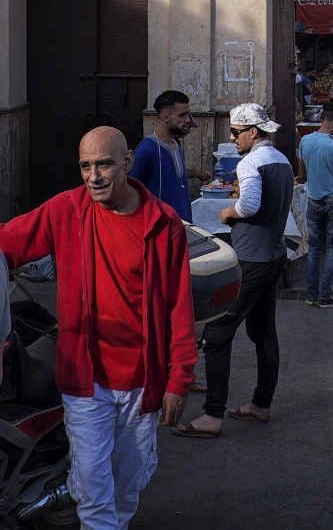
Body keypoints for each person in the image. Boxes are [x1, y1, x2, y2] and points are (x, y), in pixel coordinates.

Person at [0, 126, 196, 529]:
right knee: (92, 488)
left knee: (128, 483)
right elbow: (6, 244)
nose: (94, 176)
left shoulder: (165, 223)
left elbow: (179, 307)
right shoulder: (65, 209)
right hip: (85, 381)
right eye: (85, 166)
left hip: (143, 379)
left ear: (127, 162)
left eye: (104, 163)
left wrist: (180, 380)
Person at [178, 103, 293, 438]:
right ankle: (260, 404)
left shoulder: (251, 162)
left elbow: (250, 205)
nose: (233, 137)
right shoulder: (281, 160)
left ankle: (212, 415)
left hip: (251, 259)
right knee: (263, 331)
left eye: (236, 132)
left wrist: (228, 212)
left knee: (217, 333)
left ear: (252, 132)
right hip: (273, 255)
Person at [297, 102, 333, 308]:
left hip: (313, 199)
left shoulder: (305, 141)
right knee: (331, 249)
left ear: (320, 120)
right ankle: (325, 295)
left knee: (313, 248)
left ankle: (312, 295)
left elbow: (302, 175)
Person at [131, 89, 210, 221]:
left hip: (181, 226)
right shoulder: (147, 150)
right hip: (161, 229)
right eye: (182, 115)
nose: (187, 120)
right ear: (166, 118)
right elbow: (130, 188)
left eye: (188, 114)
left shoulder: (176, 146)